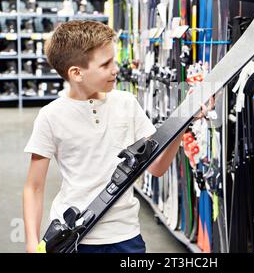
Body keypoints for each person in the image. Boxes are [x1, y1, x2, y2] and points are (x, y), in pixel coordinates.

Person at [23, 20, 212, 253]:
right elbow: (34, 187)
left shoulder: (126, 104)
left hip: (126, 236)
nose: (115, 69)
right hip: (75, 238)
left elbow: (156, 168)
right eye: (105, 64)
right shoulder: (50, 116)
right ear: (76, 73)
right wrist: (32, 243)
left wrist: (183, 122)